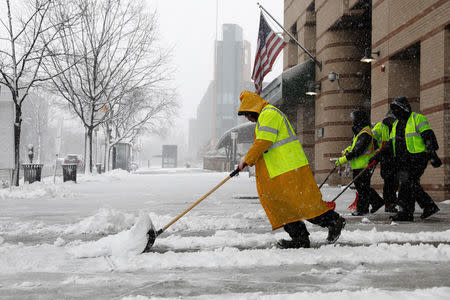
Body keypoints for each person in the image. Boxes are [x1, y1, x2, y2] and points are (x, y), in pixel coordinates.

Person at [237, 90, 346, 248]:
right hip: (279, 171)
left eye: (247, 114)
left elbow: (263, 141)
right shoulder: (264, 118)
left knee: (300, 204)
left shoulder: (269, 114)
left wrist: (246, 160)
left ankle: (333, 221)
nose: (248, 118)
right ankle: (300, 238)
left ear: (252, 109)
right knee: (283, 206)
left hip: (289, 169)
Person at [369, 96, 441, 221]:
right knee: (411, 184)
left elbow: (428, 137)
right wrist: (377, 156)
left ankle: (407, 213)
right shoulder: (396, 124)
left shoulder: (417, 118)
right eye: (393, 109)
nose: (395, 112)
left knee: (407, 184)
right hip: (404, 160)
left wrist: (432, 155)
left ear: (404, 107)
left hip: (418, 157)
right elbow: (390, 144)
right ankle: (427, 206)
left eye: (397, 109)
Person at [335, 110, 384, 216]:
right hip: (359, 164)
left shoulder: (365, 133)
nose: (352, 121)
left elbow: (358, 150)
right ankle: (377, 202)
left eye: (353, 119)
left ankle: (362, 209)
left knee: (362, 188)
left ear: (358, 120)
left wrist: (342, 160)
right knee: (362, 187)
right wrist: (348, 149)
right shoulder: (359, 132)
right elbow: (355, 146)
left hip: (365, 164)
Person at [372, 110, 399, 213]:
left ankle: (392, 202)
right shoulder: (380, 126)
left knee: (394, 182)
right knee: (388, 182)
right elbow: (373, 137)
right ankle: (389, 203)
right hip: (385, 158)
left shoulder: (397, 126)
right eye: (390, 119)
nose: (391, 121)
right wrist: (376, 149)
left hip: (395, 158)